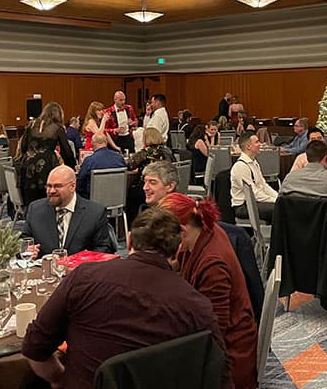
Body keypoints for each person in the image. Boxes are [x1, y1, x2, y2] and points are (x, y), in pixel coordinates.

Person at [21, 207, 225, 389]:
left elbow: (34, 346)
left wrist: (60, 378)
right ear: (178, 249)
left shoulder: (84, 277)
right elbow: (219, 372)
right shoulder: (196, 305)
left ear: (128, 241)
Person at [160, 193, 258, 389]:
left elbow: (215, 334)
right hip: (225, 338)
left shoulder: (213, 265)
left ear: (181, 231)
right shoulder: (206, 230)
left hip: (230, 356)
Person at [21, 165, 113, 258]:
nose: (51, 191)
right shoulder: (35, 209)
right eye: (49, 186)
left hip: (81, 270)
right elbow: (21, 242)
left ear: (72, 187)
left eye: (57, 186)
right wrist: (27, 248)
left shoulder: (95, 213)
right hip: (43, 269)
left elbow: (104, 248)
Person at [17, 102, 77, 205]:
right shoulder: (57, 128)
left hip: (28, 167)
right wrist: (71, 167)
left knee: (31, 203)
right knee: (48, 202)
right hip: (46, 167)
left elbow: (23, 146)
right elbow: (66, 151)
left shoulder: (31, 124)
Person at [125, 129, 174, 223]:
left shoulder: (146, 152)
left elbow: (129, 165)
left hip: (149, 188)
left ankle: (132, 224)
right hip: (166, 186)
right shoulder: (168, 151)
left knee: (130, 195)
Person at [230, 132, 278, 223]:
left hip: (253, 202)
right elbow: (253, 193)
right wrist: (275, 201)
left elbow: (263, 185)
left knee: (281, 206)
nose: (260, 144)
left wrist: (277, 197)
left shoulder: (254, 163)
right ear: (248, 146)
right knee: (278, 208)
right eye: (257, 142)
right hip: (243, 206)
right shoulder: (241, 166)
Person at [75, 133, 126, 199]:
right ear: (106, 142)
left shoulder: (89, 161)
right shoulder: (119, 158)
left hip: (93, 202)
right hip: (116, 200)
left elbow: (79, 185)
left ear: (92, 144)